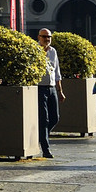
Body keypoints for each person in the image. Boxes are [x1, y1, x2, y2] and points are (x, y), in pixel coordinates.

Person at [36, 28, 64, 159]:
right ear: (39, 37)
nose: (47, 39)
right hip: (40, 87)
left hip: (52, 87)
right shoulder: (35, 51)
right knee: (44, 119)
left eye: (49, 37)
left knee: (55, 118)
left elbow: (57, 72)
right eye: (44, 37)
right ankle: (45, 148)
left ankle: (41, 135)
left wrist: (60, 91)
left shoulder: (53, 51)